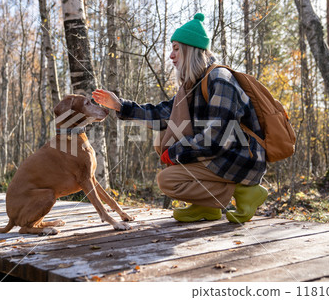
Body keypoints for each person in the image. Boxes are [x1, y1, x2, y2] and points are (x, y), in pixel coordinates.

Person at [92, 13, 268, 223]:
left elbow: (217, 138)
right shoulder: (193, 85)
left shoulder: (220, 80)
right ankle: (206, 207)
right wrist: (120, 105)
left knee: (168, 180)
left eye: (176, 48)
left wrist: (176, 153)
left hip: (241, 158)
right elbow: (161, 114)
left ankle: (245, 192)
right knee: (164, 137)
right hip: (222, 155)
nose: (171, 55)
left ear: (190, 50)